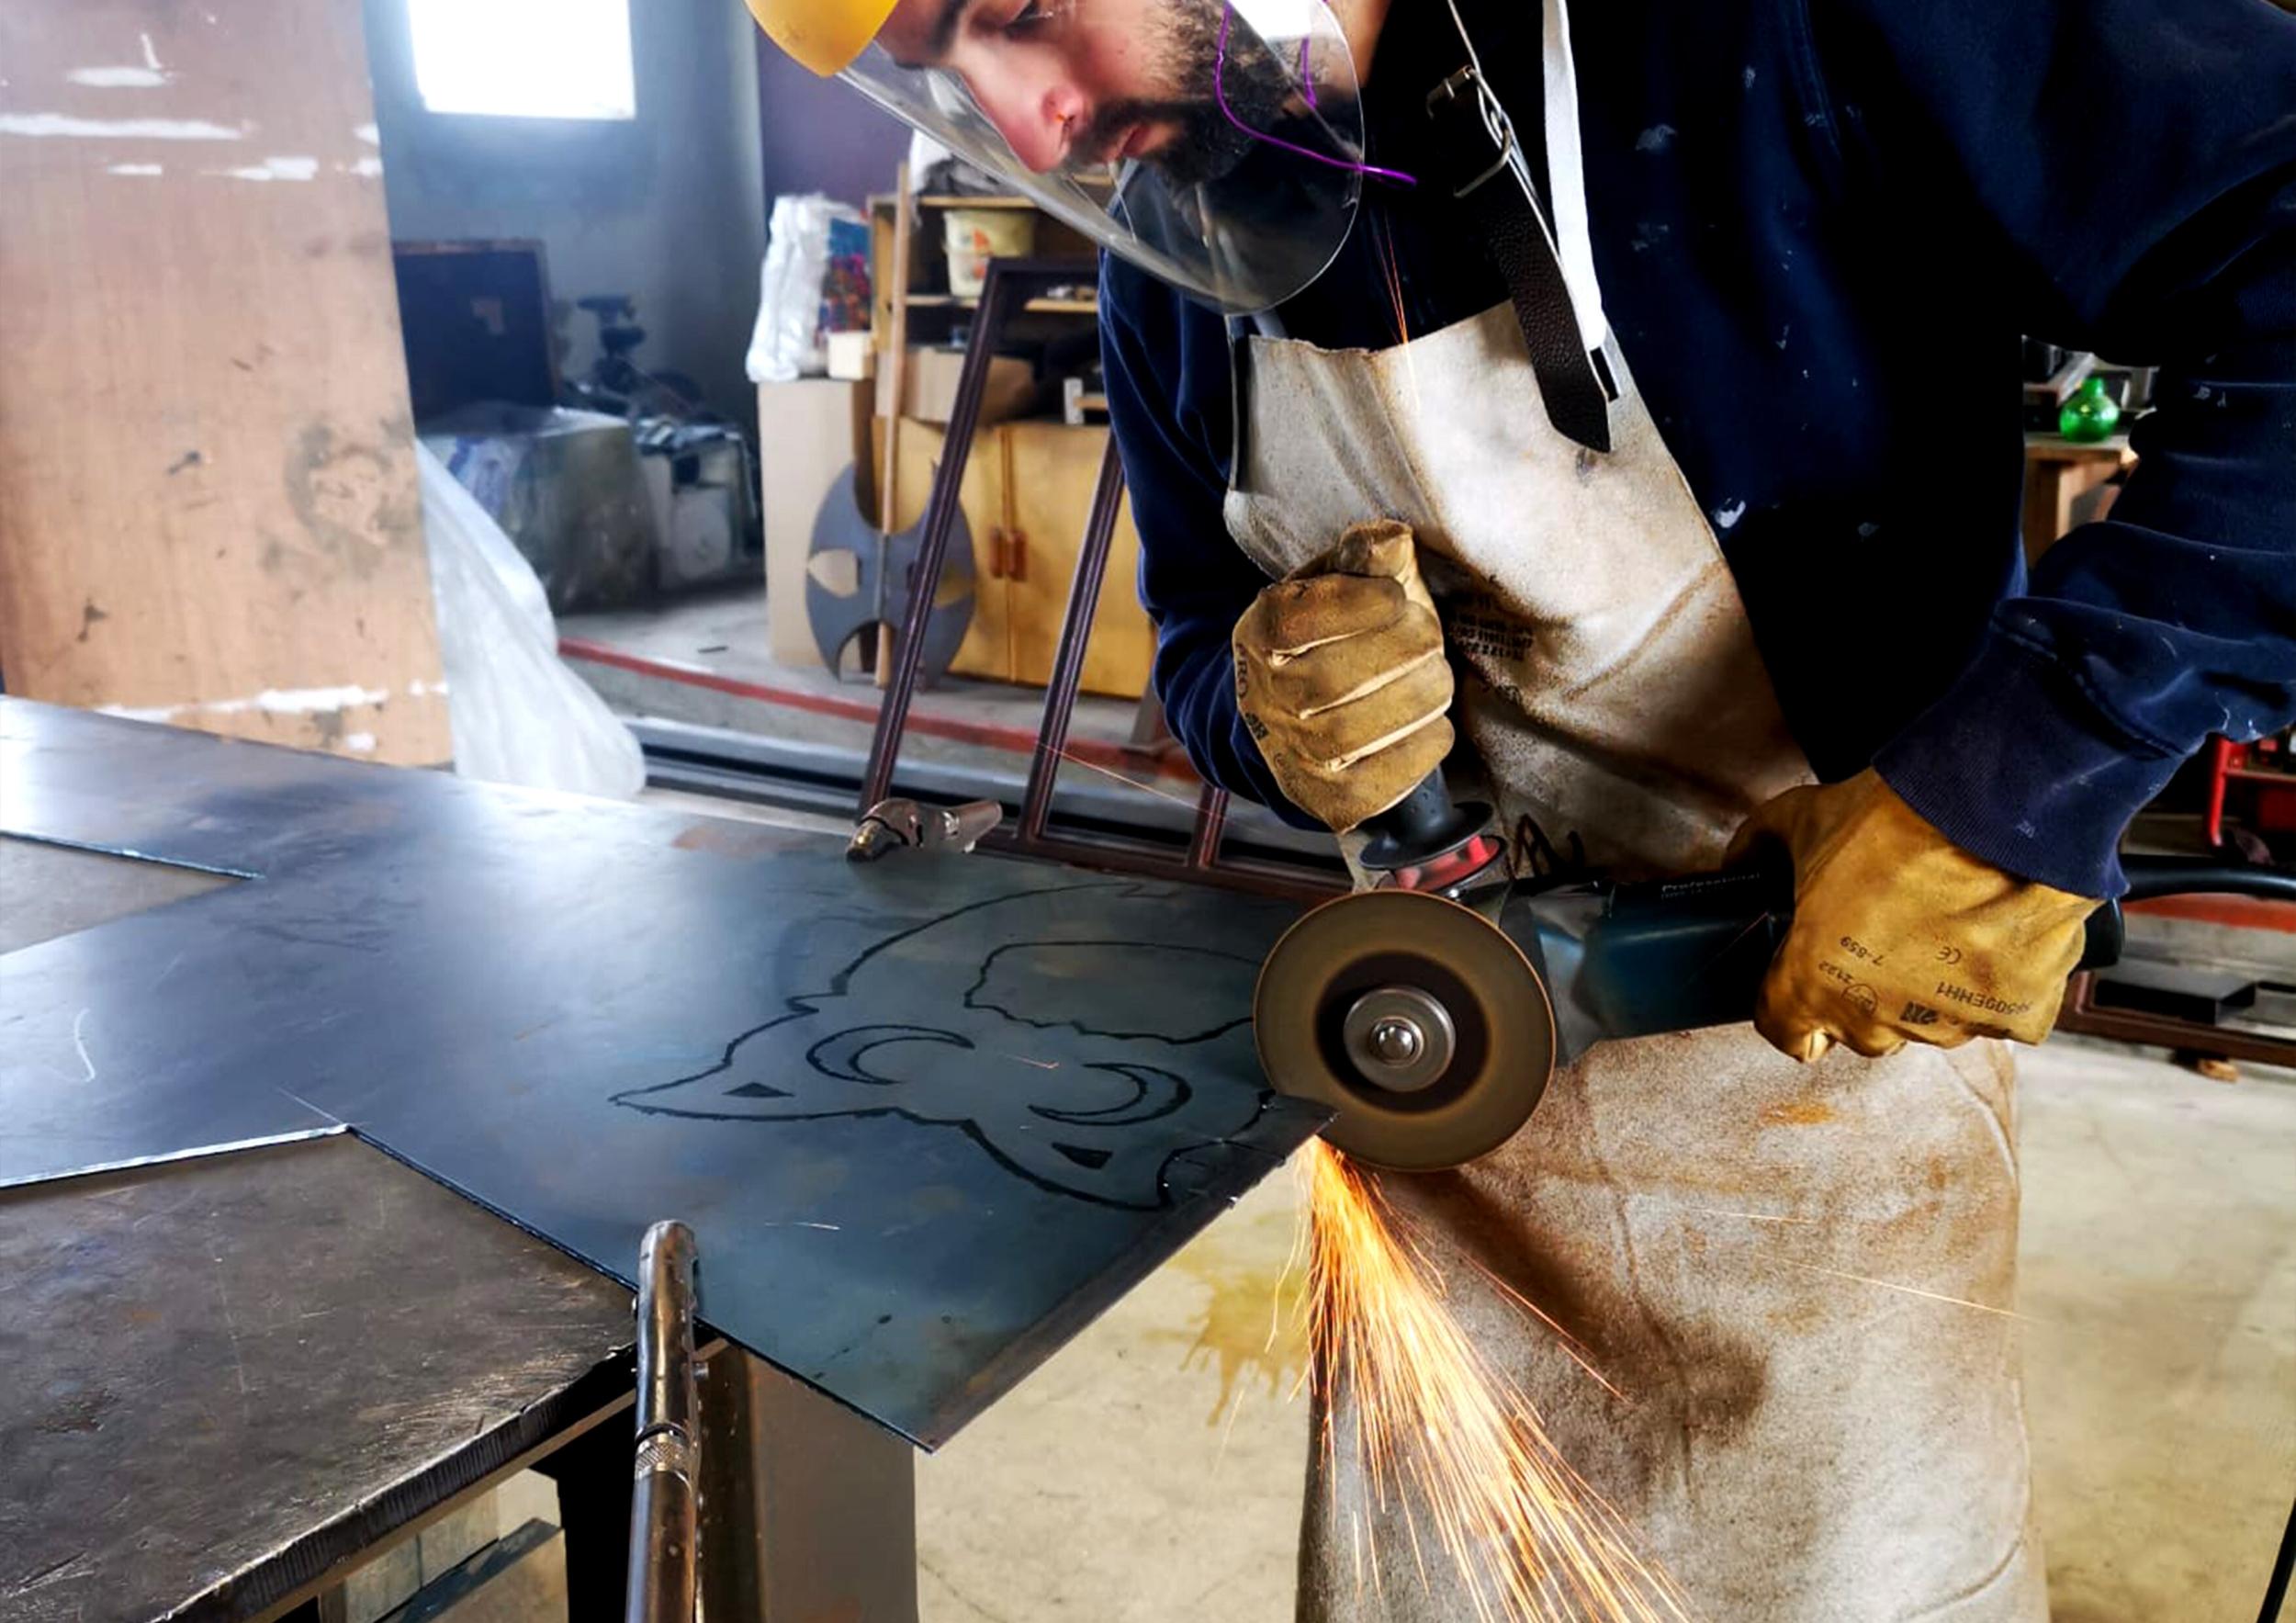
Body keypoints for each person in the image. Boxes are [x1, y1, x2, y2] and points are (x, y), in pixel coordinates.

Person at [745, 0, 2296, 1614]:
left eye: (1010, 11)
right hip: (1439, 1131)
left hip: (1829, 1103)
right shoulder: (1176, 241)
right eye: (940, 75)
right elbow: (1201, 633)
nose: (1033, 118)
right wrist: (1272, 707)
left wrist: (2027, 765)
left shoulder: (1785, 31)